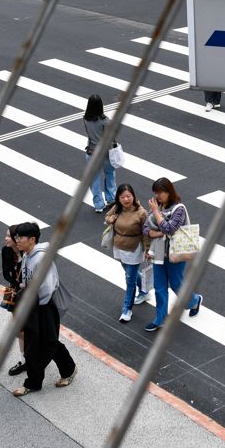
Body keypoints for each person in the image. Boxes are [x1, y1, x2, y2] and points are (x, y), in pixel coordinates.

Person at [10, 220, 81, 384]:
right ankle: (37, 380)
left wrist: (33, 305)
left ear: (32, 239)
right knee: (39, 341)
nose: (17, 240)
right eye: (16, 237)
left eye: (21, 237)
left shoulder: (40, 258)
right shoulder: (28, 254)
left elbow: (47, 288)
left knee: (47, 342)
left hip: (43, 305)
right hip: (35, 304)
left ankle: (66, 371)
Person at [104, 184, 152, 324]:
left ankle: (127, 309)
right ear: (118, 198)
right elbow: (108, 216)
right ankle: (144, 291)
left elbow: (146, 233)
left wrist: (148, 249)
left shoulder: (141, 212)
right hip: (119, 246)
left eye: (128, 196)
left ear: (134, 196)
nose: (126, 199)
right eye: (122, 197)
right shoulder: (117, 208)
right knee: (129, 272)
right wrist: (110, 220)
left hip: (134, 249)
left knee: (129, 280)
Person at [82, 94, 117, 213]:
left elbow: (89, 134)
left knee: (95, 180)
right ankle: (111, 198)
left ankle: (98, 204)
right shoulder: (105, 121)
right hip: (105, 153)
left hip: (91, 152)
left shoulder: (85, 119)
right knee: (110, 175)